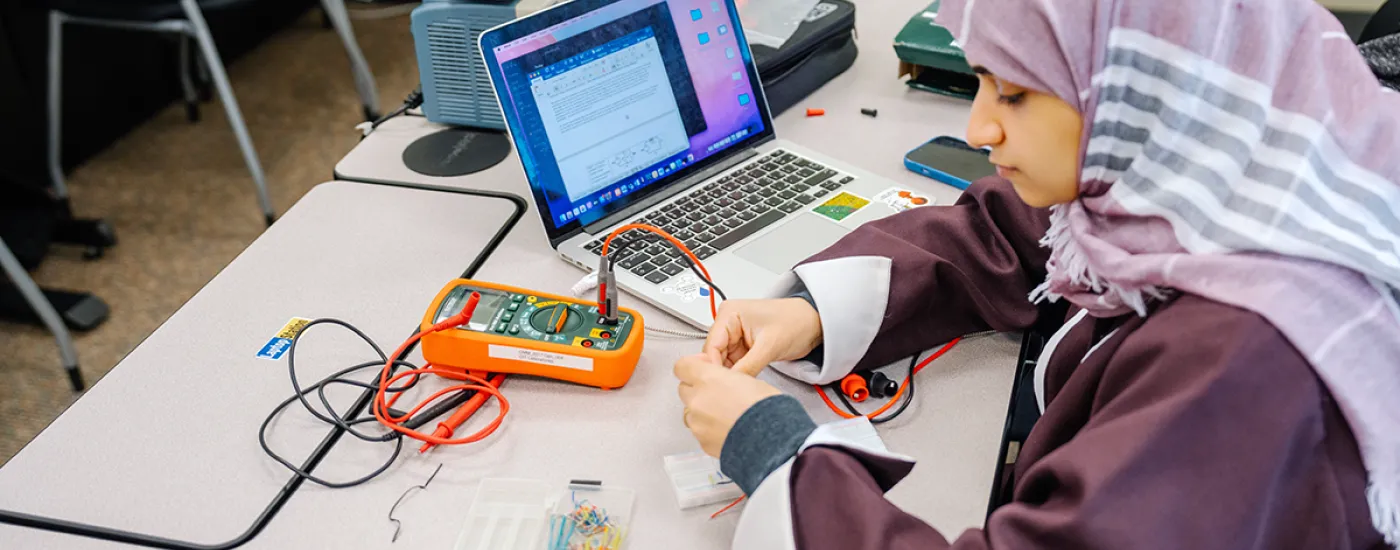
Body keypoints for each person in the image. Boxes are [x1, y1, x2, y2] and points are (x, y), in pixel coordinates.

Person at [672, 0, 1400, 547]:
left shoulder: (1239, 365)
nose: (978, 129)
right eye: (980, 82)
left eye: (1013, 93)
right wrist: (814, 311)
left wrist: (774, 454)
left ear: (1136, 90)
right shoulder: (1221, 166)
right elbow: (1017, 233)